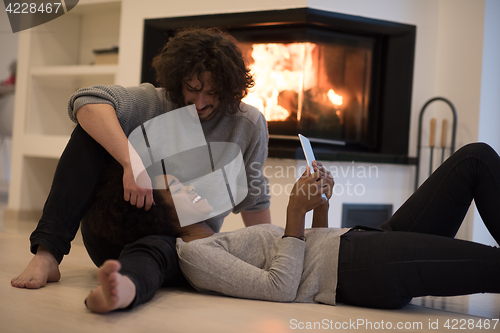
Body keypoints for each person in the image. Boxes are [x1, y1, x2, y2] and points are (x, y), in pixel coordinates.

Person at [84, 142, 500, 313]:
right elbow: (281, 289)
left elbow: (310, 254)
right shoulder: (194, 256)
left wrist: (318, 205)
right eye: (177, 188)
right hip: (361, 271)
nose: (190, 186)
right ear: (163, 216)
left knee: (474, 158)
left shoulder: (220, 236)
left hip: (363, 244)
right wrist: (294, 216)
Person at [11, 27, 271, 291]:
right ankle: (47, 253)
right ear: (179, 80)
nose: (200, 102)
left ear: (230, 89)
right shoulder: (156, 102)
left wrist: (267, 255)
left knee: (159, 251)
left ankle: (125, 288)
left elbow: (254, 198)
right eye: (192, 89)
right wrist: (131, 163)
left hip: (179, 246)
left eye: (212, 93)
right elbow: (86, 100)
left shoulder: (248, 125)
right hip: (114, 236)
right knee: (89, 132)